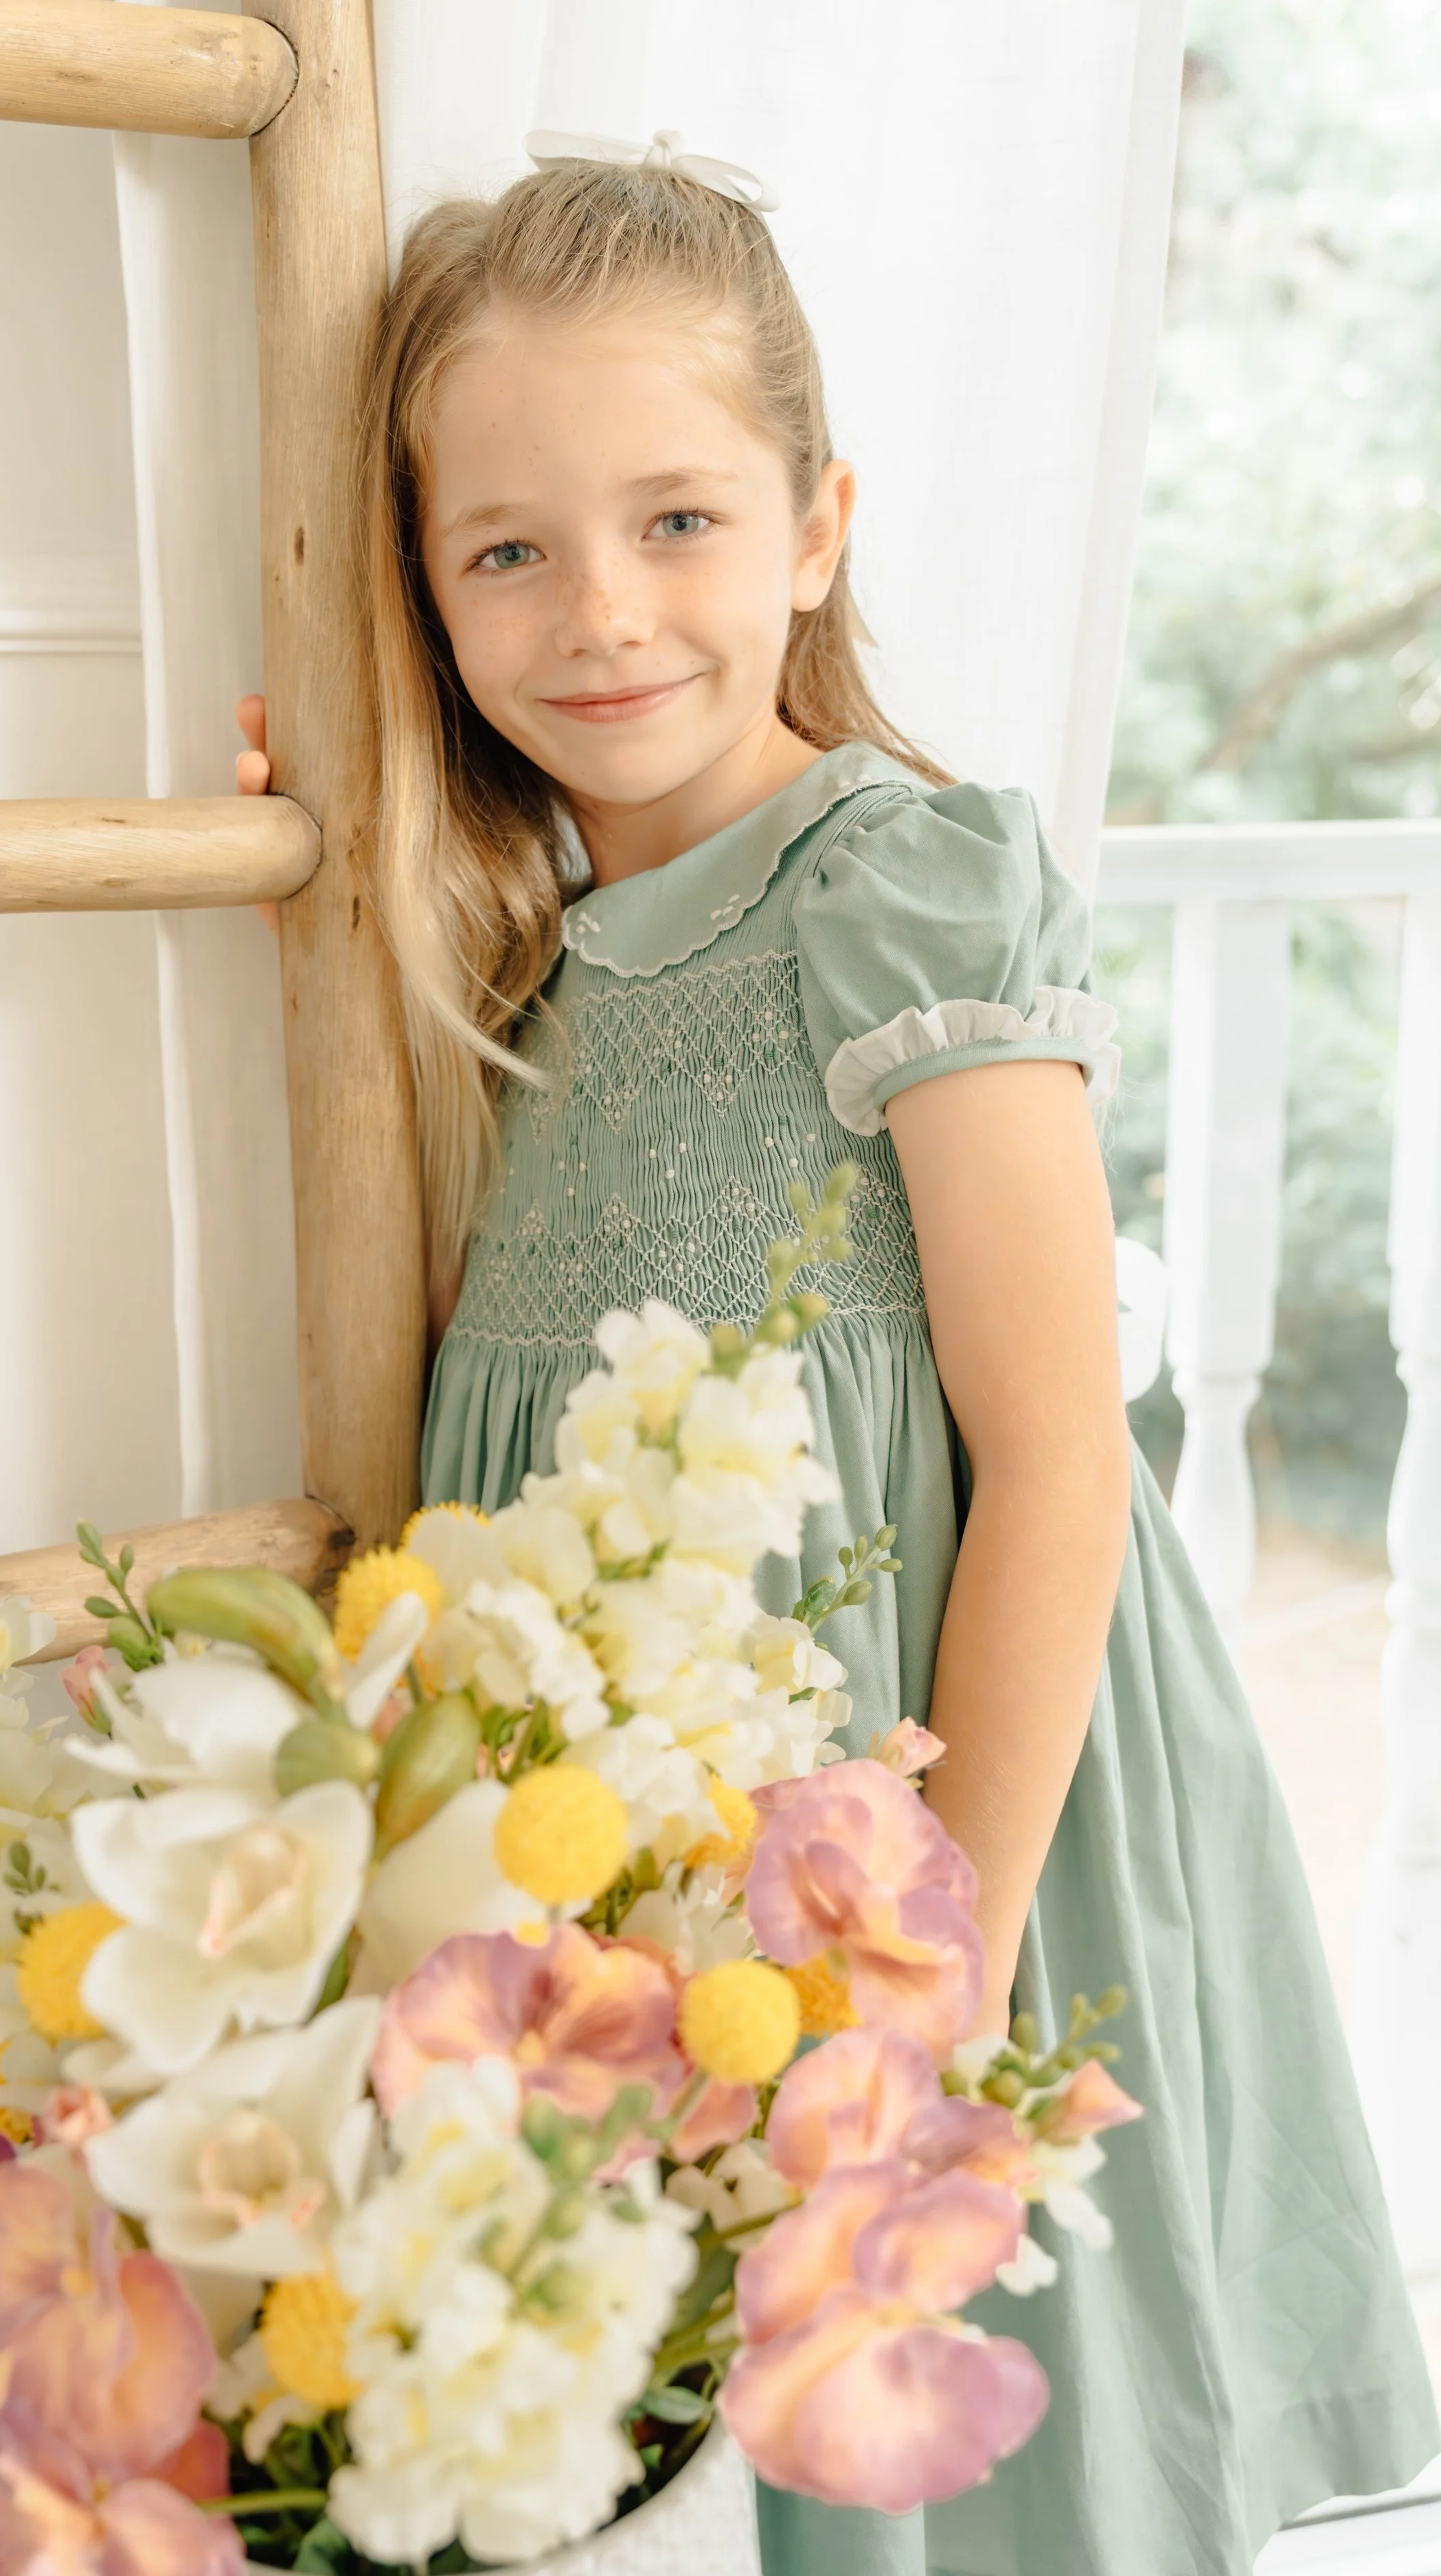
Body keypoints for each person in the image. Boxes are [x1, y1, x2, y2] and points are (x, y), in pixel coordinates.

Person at [235, 142, 1438, 2576]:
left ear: (815, 526)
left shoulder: (891, 876)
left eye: (678, 520)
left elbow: (1055, 1457)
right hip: (630, 1797)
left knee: (927, 2428)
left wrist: (945, 1956)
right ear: (423, 585)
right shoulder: (527, 932)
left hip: (912, 1792)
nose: (602, 610)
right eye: (506, 549)